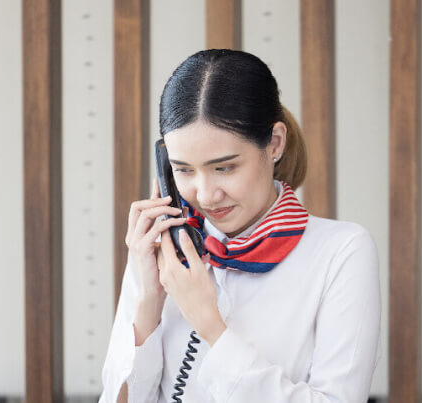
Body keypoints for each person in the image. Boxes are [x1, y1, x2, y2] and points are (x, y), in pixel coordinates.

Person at [99, 49, 381, 403]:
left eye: (225, 167)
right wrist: (149, 302)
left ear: (274, 144)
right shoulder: (163, 248)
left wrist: (210, 325)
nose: (206, 194)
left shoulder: (342, 251)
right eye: (183, 170)